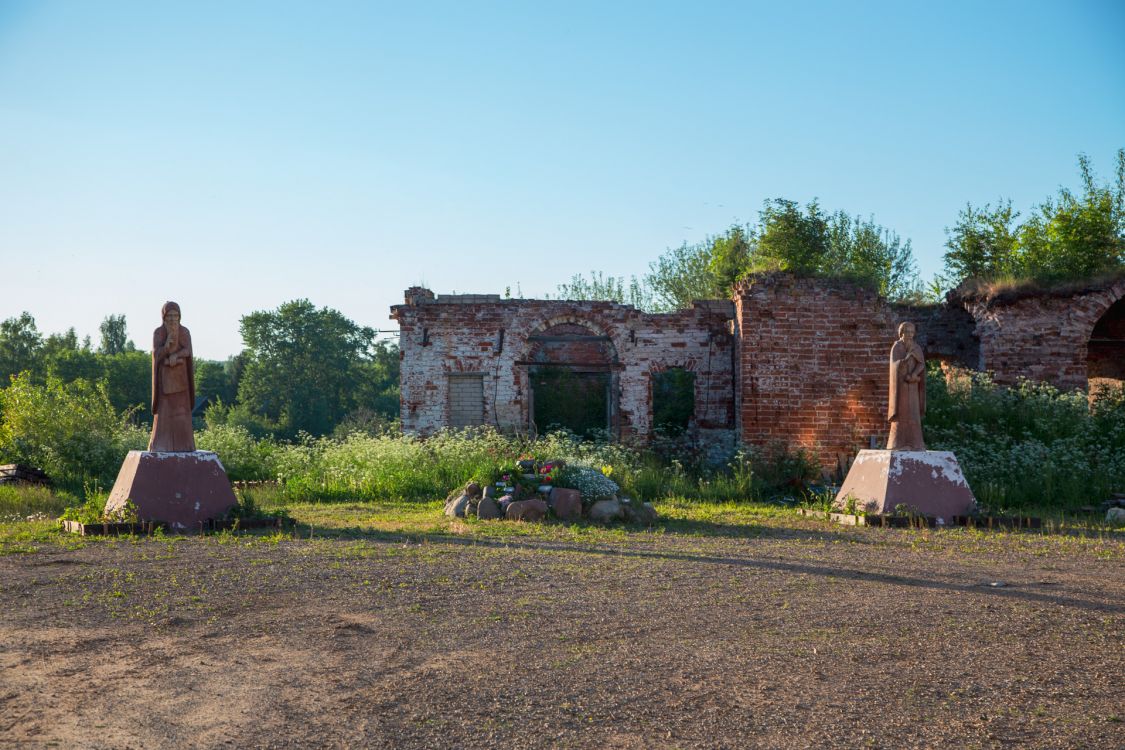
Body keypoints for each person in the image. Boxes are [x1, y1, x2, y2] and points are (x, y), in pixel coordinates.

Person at [148, 301, 196, 452]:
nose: (173, 319)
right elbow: (156, 355)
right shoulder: (158, 333)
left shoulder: (184, 332)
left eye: (176, 315)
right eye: (169, 316)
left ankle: (185, 444)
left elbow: (188, 350)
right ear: (164, 317)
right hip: (164, 382)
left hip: (181, 380)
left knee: (182, 413)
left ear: (180, 317)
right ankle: (161, 444)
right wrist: (166, 347)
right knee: (164, 415)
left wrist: (176, 356)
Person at [887, 321, 926, 451]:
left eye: (912, 332)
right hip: (901, 387)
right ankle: (897, 443)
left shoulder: (916, 347)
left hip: (913, 386)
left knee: (913, 414)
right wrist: (902, 364)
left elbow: (921, 364)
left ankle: (916, 444)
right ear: (901, 333)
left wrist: (914, 374)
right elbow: (893, 365)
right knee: (901, 414)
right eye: (907, 332)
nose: (909, 335)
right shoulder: (897, 347)